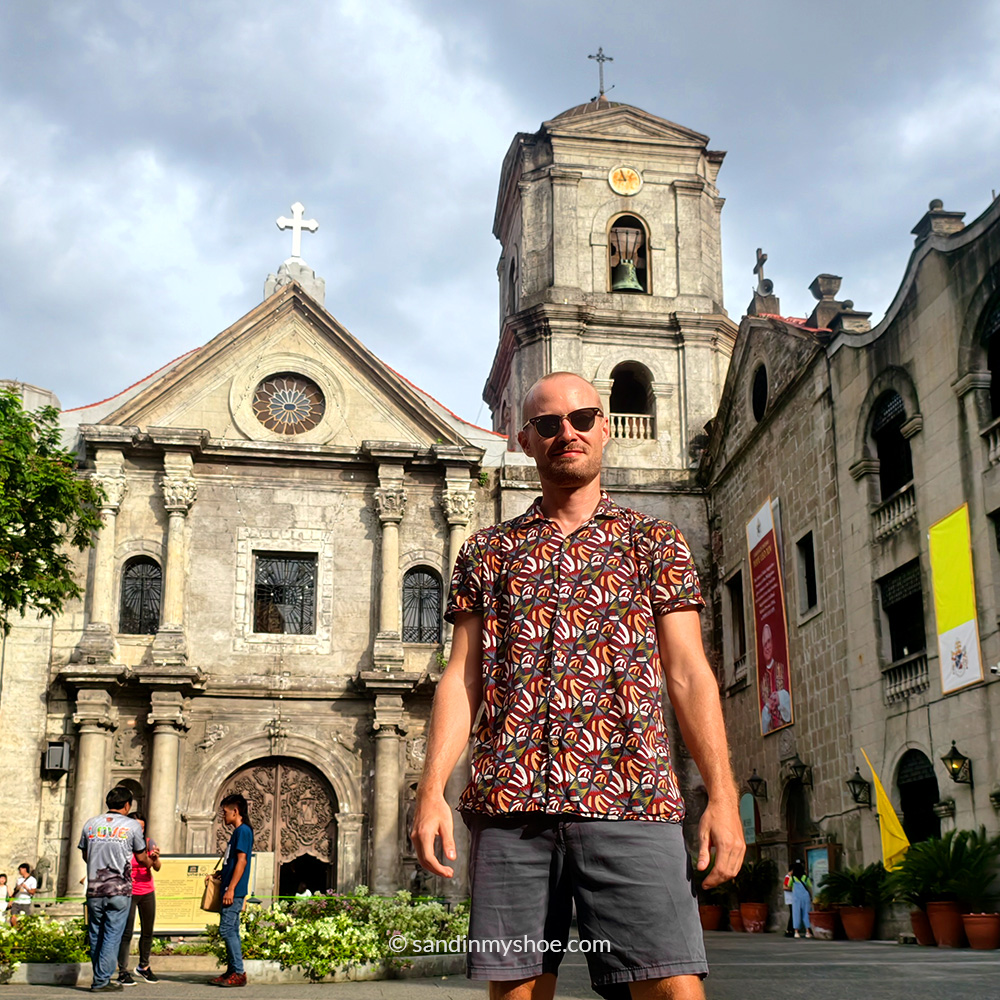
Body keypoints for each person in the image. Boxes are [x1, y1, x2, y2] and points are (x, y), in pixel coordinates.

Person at [411, 372, 745, 1000]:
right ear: (526, 441)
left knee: (673, 987)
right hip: (512, 810)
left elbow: (689, 672)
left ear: (606, 427)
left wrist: (722, 799)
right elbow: (462, 676)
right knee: (515, 992)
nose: (568, 432)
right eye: (548, 424)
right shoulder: (488, 552)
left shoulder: (656, 542)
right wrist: (432, 791)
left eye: (583, 418)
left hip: (632, 800)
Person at [79, 786, 150, 992]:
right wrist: (149, 861)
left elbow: (85, 855)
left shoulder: (90, 824)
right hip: (119, 889)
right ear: (127, 805)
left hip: (94, 889)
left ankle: (99, 977)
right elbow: (140, 856)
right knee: (112, 934)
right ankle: (101, 980)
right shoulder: (132, 826)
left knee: (95, 933)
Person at [210, 793, 253, 988]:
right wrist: (223, 873)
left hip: (233, 891)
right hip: (229, 886)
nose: (223, 815)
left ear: (235, 811)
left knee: (227, 929)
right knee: (232, 930)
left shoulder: (243, 831)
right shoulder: (237, 832)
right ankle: (232, 970)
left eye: (225, 811)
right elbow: (234, 861)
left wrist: (231, 889)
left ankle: (238, 972)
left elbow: (242, 861)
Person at [116, 813, 161, 986]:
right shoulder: (123, 844)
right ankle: (122, 970)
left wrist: (155, 859)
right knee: (126, 932)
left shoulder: (148, 843)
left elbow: (156, 867)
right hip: (129, 891)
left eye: (142, 827)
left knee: (148, 930)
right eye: (136, 826)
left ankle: (144, 966)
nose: (139, 830)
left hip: (147, 890)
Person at [760, 624, 791, 733]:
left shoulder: (782, 668)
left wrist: (780, 697)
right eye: (764, 644)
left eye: (769, 642)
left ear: (773, 643)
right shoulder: (762, 680)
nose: (767, 647)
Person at [789, 859, 813, 938]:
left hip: (796, 898)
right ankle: (807, 931)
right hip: (805, 897)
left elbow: (789, 885)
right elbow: (810, 887)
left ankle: (796, 932)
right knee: (806, 913)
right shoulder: (805, 877)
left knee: (796, 914)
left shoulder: (792, 878)